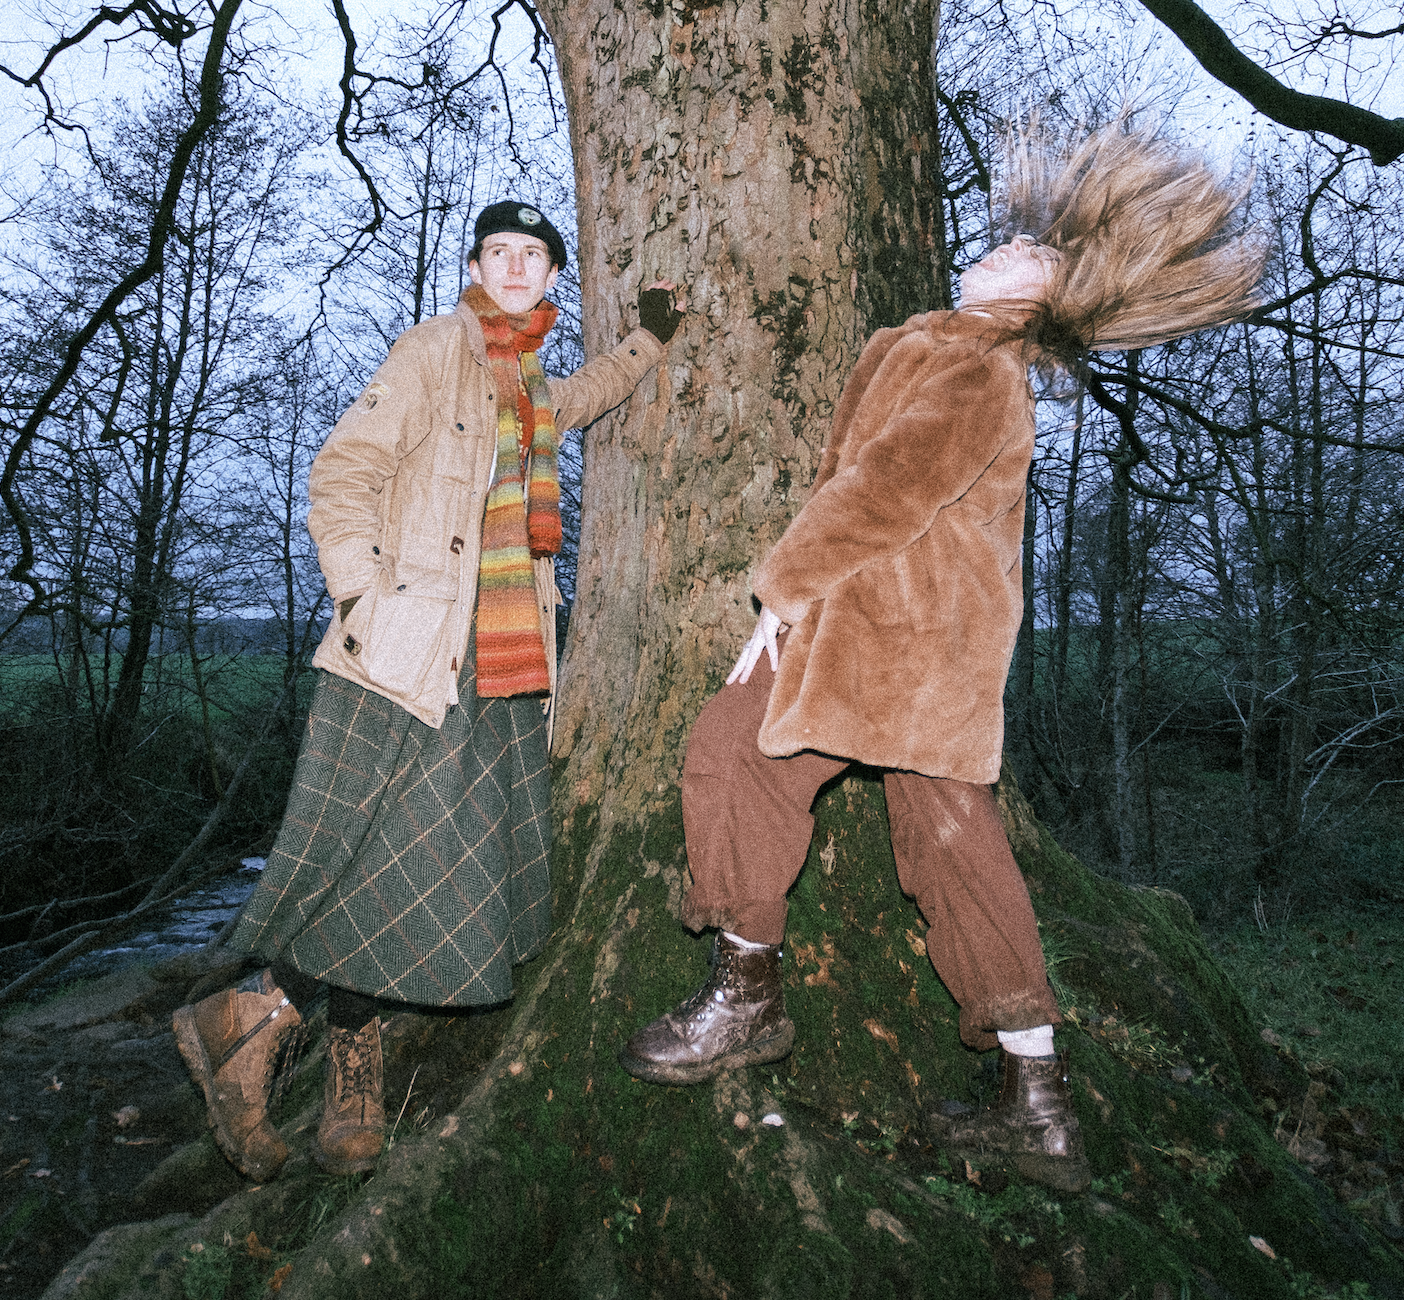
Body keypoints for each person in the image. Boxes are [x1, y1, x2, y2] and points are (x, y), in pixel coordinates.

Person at [620, 121, 1262, 1193]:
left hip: (889, 637)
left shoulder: (976, 368)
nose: (1007, 244)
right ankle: (1038, 1102)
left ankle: (747, 998)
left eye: (1030, 255)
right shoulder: (949, 352)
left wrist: (782, 590)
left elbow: (882, 493)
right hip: (928, 647)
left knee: (734, 751)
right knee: (957, 851)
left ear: (1040, 303)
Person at [174, 201, 684, 1180]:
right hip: (404, 652)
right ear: (475, 267)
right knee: (368, 853)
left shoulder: (530, 381)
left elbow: (584, 396)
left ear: (552, 275)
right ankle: (298, 1047)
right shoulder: (432, 349)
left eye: (534, 255)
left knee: (415, 862)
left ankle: (259, 1028)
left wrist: (649, 343)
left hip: (498, 652)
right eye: (501, 251)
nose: (517, 266)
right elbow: (344, 469)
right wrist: (363, 597)